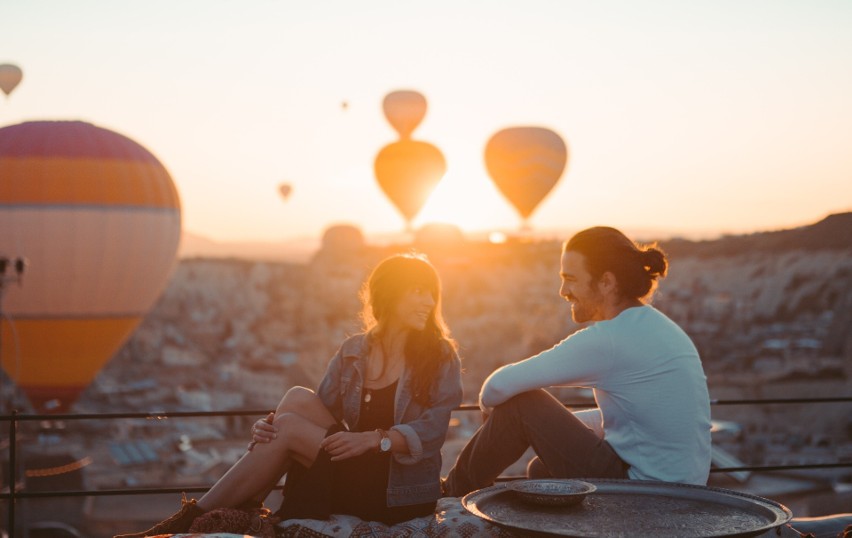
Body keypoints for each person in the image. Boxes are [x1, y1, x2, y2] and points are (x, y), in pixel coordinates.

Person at [116, 253, 463, 537]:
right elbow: (316, 410)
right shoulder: (354, 350)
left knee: (290, 427)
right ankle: (230, 505)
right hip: (353, 467)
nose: (428, 301)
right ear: (389, 294)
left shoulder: (439, 355)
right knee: (295, 399)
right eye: (417, 291)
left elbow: (434, 431)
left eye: (431, 293)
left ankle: (188, 521)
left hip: (398, 490)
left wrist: (376, 440)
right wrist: (270, 429)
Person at [443, 226, 712, 497]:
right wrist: (551, 426)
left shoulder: (609, 339)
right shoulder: (659, 328)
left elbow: (498, 386)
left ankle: (451, 492)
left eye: (570, 279)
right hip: (682, 493)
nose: (563, 291)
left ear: (606, 282)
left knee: (522, 404)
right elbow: (640, 419)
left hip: (643, 494)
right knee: (541, 471)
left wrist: (494, 411)